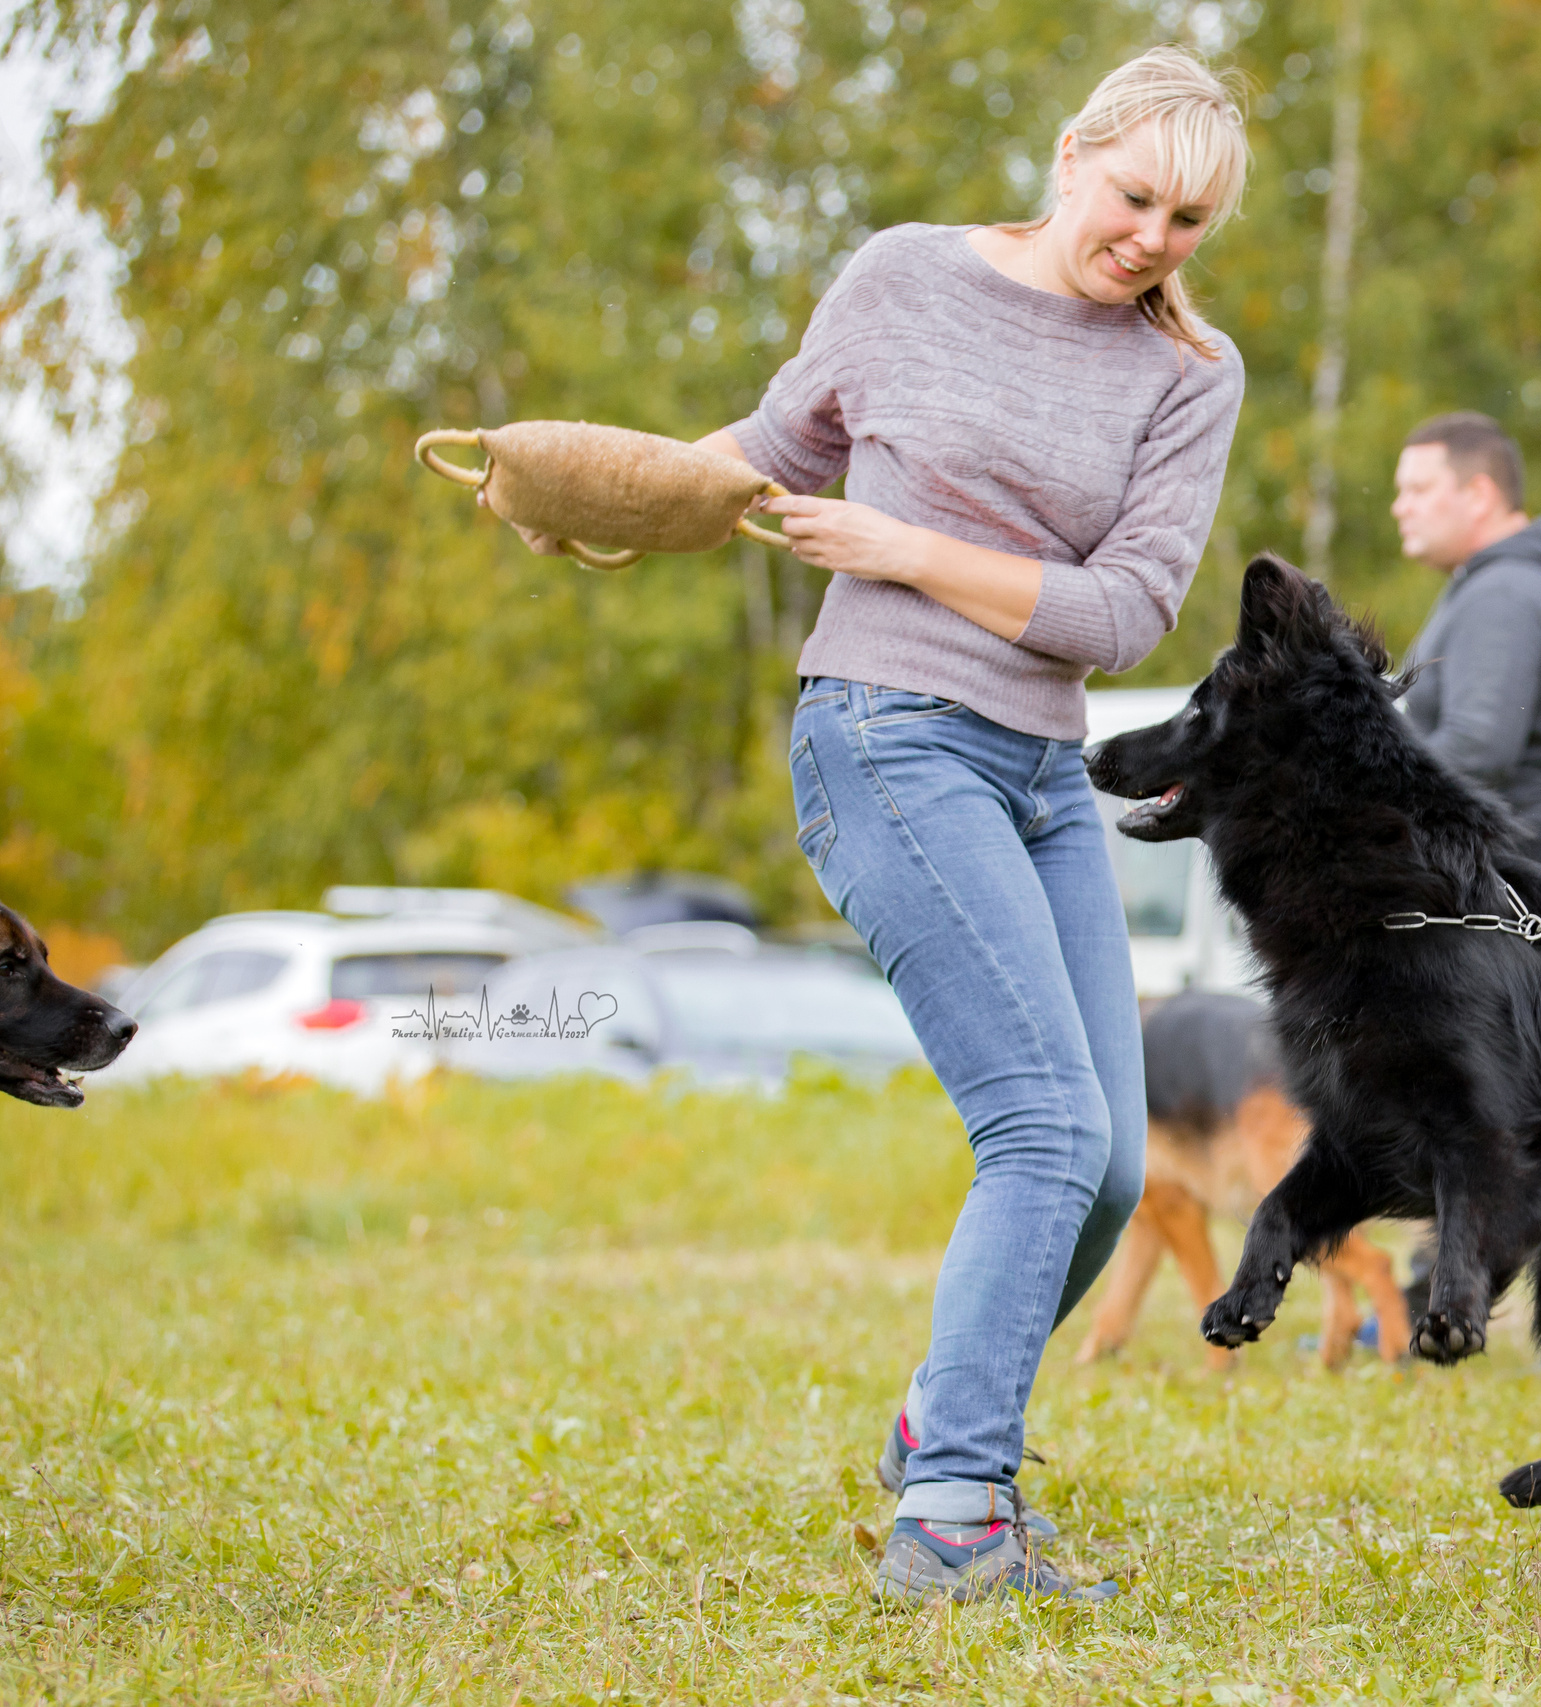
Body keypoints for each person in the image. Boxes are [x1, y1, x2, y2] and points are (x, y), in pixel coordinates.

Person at [498, 46, 1250, 1601]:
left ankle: (937, 1425)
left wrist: (906, 543)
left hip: (1044, 769)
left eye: (1188, 219)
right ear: (1068, 158)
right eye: (1135, 197)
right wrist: (582, 492)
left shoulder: (1191, 374)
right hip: (888, 732)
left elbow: (1120, 614)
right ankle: (958, 1513)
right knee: (1045, 1129)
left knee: (1106, 1163)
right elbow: (766, 453)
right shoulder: (905, 277)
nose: (1153, 240)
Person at [1390, 412, 1541, 873]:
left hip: (1508, 891)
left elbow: (1477, 749)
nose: (1399, 507)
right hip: (1538, 879)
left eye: (1418, 490)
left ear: (1479, 495)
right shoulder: (1535, 582)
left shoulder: (1504, 594)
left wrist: (1355, 789)